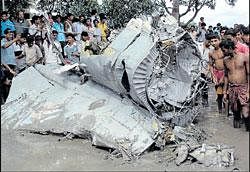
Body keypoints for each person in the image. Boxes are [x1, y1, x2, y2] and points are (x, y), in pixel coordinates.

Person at [221, 39, 249, 131]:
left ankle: (247, 133)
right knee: (235, 112)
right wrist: (225, 92)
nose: (223, 52)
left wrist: (248, 91)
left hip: (244, 87)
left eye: (224, 50)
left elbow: (249, 74)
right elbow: (226, 76)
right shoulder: (225, 60)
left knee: (246, 113)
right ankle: (236, 134)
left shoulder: (244, 57)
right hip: (232, 88)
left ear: (230, 48)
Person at [1, 29, 20, 102]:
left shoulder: (12, 43)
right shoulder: (2, 41)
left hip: (12, 65)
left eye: (12, 34)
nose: (11, 35)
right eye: (9, 34)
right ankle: (4, 100)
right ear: (5, 34)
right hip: (5, 65)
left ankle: (6, 100)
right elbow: (5, 46)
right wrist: (15, 39)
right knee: (6, 82)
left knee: (9, 83)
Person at [208, 34, 225, 114]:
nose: (213, 43)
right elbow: (211, 65)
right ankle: (220, 110)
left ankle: (227, 109)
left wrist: (224, 76)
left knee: (227, 93)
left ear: (219, 40)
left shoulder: (224, 50)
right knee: (219, 93)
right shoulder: (211, 52)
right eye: (212, 41)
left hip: (225, 72)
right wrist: (213, 75)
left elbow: (228, 63)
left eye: (215, 41)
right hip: (216, 73)